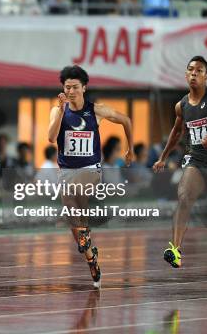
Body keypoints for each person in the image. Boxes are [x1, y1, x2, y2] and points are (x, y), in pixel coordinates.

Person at [48, 65, 133, 288]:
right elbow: (50, 138)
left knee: (72, 193)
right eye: (67, 87)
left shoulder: (97, 111)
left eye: (75, 87)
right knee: (75, 224)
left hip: (91, 170)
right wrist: (60, 108)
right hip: (66, 171)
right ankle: (91, 258)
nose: (71, 91)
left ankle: (88, 230)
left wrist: (130, 149)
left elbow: (126, 120)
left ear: (84, 88)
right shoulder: (58, 110)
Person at [153, 56, 207, 268]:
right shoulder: (181, 105)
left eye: (199, 70)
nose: (194, 73)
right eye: (190, 69)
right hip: (196, 160)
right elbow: (176, 132)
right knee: (184, 196)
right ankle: (175, 249)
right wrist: (163, 157)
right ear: (186, 74)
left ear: (206, 76)